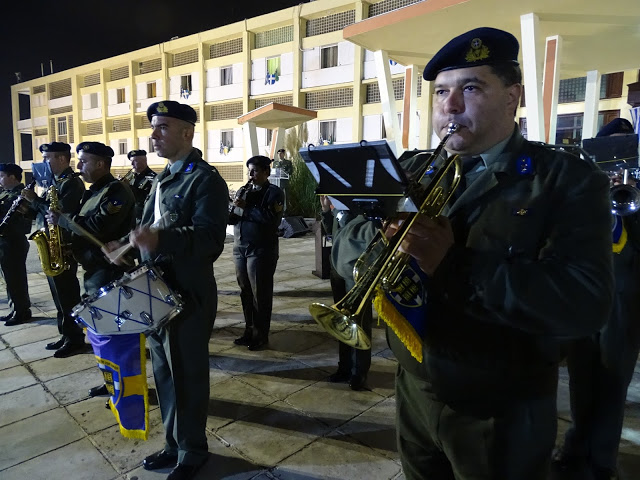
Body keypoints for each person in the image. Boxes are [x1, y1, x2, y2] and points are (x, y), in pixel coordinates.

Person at [336, 27, 614, 480]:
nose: (450, 106)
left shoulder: (563, 179)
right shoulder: (410, 170)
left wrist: (452, 264)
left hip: (501, 408)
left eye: (470, 88)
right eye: (442, 91)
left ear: (512, 97)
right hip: (415, 391)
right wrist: (382, 243)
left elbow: (584, 302)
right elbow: (346, 241)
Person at [107, 100, 228, 480]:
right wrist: (127, 250)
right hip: (157, 292)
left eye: (162, 127)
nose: (153, 135)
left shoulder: (205, 180)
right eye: (153, 127)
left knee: (187, 375)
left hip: (188, 295)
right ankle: (175, 443)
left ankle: (193, 451)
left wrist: (159, 239)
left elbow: (209, 240)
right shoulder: (163, 179)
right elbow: (147, 231)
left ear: (186, 132)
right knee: (164, 374)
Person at [552, 117, 640, 480]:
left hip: (625, 298)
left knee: (613, 381)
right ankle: (576, 445)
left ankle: (601, 460)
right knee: (581, 375)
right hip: (585, 293)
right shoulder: (586, 189)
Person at [46, 142, 135, 363]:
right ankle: (111, 380)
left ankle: (121, 385)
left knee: (111, 331)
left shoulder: (116, 191)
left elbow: (98, 225)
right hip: (94, 268)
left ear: (101, 164)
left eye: (84, 161)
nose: (79, 166)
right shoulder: (94, 191)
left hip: (109, 270)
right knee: (101, 331)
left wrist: (63, 220)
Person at [22, 142, 86, 357]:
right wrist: (27, 206)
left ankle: (76, 338)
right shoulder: (54, 182)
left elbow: (60, 215)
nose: (44, 162)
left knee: (67, 295)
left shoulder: (72, 184)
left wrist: (36, 201)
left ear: (61, 158)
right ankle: (66, 334)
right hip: (51, 243)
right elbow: (43, 212)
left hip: (64, 245)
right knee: (58, 295)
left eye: (48, 158)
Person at [231, 155, 284, 351]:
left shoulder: (274, 193)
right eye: (249, 171)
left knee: (260, 294)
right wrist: (231, 209)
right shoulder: (245, 190)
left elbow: (272, 219)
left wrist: (247, 208)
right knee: (245, 291)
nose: (250, 175)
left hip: (261, 249)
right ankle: (249, 330)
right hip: (241, 247)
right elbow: (235, 217)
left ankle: (261, 335)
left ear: (265, 172)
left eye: (254, 171)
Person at [319, 195, 372, 390]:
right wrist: (326, 211)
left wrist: (345, 213)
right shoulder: (337, 205)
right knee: (341, 318)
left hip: (355, 269)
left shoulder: (362, 205)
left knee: (358, 321)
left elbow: (359, 236)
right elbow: (332, 234)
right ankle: (344, 366)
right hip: (337, 268)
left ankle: (359, 372)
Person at [0, 163, 32, 326]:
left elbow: (20, 221)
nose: (0, 180)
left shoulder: (21, 194)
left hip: (13, 241)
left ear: (12, 177)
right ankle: (15, 308)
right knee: (10, 279)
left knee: (16, 279)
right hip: (5, 241)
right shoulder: (6, 193)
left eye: (2, 176)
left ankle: (22, 311)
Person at [125, 149, 156, 222]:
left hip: (143, 218)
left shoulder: (153, 178)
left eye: (135, 161)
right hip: (129, 218)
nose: (132, 164)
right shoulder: (130, 176)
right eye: (131, 161)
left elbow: (147, 198)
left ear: (144, 161)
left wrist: (129, 187)